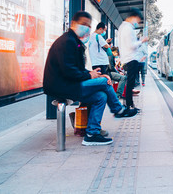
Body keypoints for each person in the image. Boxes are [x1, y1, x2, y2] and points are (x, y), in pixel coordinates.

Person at [43, 11, 138, 146]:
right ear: (73, 24)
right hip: (61, 86)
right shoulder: (67, 42)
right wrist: (90, 75)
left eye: (88, 25)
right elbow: (69, 71)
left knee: (101, 96)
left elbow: (77, 70)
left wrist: (95, 74)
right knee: (105, 82)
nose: (86, 28)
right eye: (83, 24)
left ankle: (92, 133)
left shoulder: (75, 42)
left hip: (69, 83)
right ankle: (118, 110)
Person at [118, 8, 148, 110]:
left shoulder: (123, 27)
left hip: (128, 59)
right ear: (134, 17)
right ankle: (129, 106)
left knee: (130, 84)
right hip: (130, 60)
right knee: (130, 85)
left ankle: (129, 105)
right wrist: (141, 41)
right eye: (138, 20)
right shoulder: (128, 28)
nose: (137, 23)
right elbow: (131, 45)